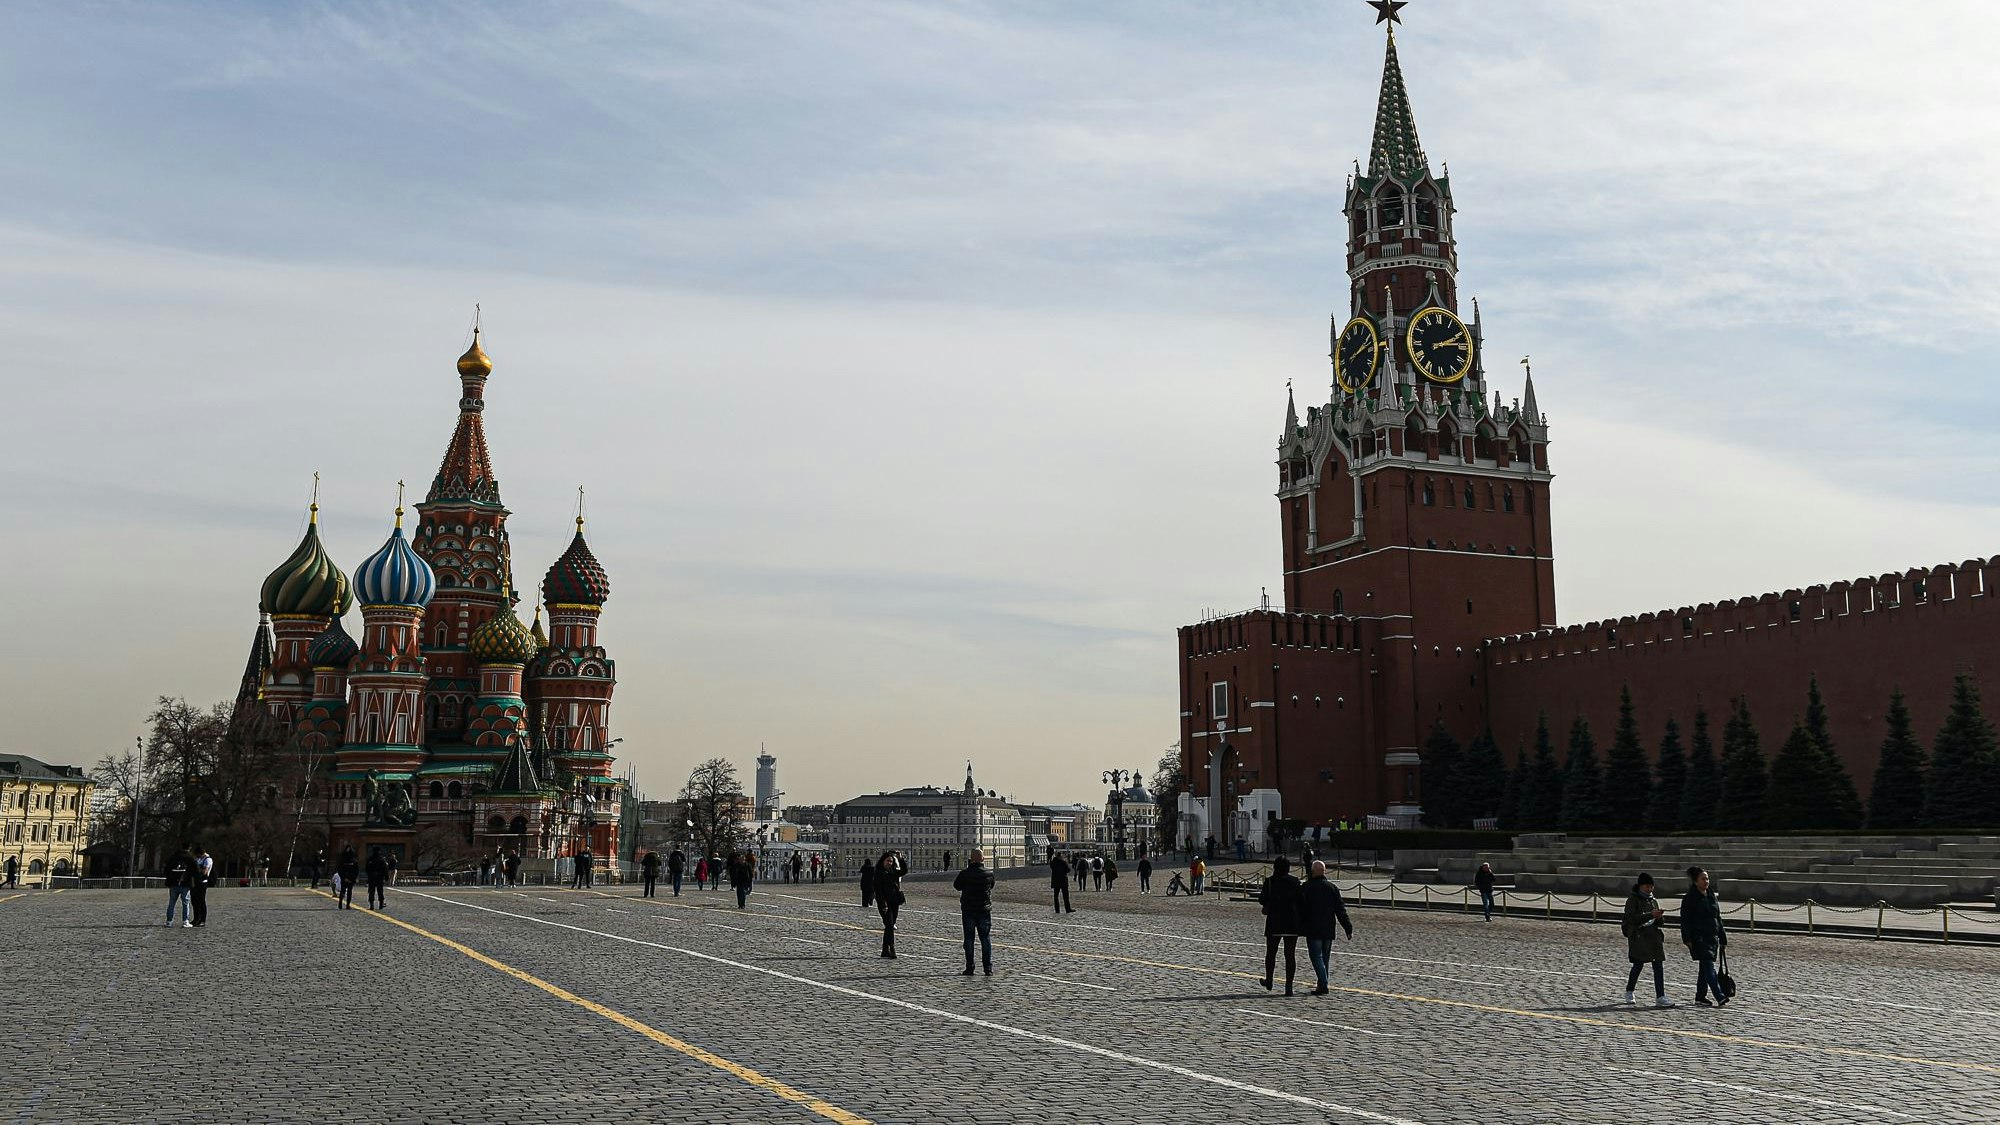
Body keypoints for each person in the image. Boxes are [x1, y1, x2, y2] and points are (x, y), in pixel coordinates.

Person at [1300, 860, 1355, 995]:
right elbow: (1340, 910)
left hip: (1313, 928)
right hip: (1328, 928)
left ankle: (1323, 983)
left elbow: (1300, 909)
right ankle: (1322, 985)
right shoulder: (1332, 888)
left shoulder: (1306, 887)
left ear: (1312, 872)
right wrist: (1348, 927)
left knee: (1316, 957)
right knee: (1325, 958)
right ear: (1324, 872)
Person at [1623, 872, 1675, 1008]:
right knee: (1638, 965)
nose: (1649, 889)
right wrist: (1650, 915)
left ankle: (1660, 996)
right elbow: (1631, 918)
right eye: (1647, 886)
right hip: (1639, 937)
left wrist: (1659, 918)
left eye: (1651, 887)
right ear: (1640, 886)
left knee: (1658, 966)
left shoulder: (1653, 900)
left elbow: (1659, 922)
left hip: (1653, 937)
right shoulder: (1633, 900)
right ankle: (1630, 990)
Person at [1679, 866, 1728, 1007]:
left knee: (1704, 968)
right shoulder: (1690, 898)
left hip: (1712, 937)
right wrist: (1687, 939)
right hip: (1699, 938)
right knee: (1709, 966)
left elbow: (1717, 918)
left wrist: (1722, 936)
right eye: (1703, 878)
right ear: (1695, 881)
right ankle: (1720, 996)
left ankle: (1700, 996)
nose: (1706, 881)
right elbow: (1685, 920)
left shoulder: (1711, 895)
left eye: (1707, 878)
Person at [1259, 856, 1305, 995]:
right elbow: (1301, 901)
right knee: (1290, 955)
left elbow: (1262, 899)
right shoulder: (1294, 882)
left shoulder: (1270, 881)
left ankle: (1270, 980)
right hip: (1291, 922)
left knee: (1271, 953)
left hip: (1275, 922)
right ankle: (1289, 986)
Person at [954, 849, 996, 976]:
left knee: (969, 939)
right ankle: (987, 968)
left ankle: (970, 967)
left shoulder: (965, 874)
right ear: (983, 859)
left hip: (969, 910)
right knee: (985, 939)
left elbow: (957, 886)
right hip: (984, 909)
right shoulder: (989, 873)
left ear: (971, 859)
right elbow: (991, 886)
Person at [875, 850, 907, 958]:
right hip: (885, 904)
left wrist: (900, 858)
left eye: (891, 861)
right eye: (888, 861)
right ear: (883, 861)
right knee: (889, 925)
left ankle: (884, 949)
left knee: (889, 926)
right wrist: (883, 904)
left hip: (894, 903)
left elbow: (904, 871)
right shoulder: (879, 873)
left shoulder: (893, 872)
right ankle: (892, 948)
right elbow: (878, 890)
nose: (890, 863)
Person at [163, 846, 195, 927]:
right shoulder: (190, 858)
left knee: (172, 903)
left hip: (173, 883)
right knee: (186, 903)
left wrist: (170, 878)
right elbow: (195, 869)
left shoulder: (173, 858)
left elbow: (166, 870)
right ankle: (185, 921)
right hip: (185, 883)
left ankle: (169, 921)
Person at [190, 846, 213, 927]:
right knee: (194, 901)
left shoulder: (207, 859)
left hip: (202, 882)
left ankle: (202, 920)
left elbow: (204, 872)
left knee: (201, 901)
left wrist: (196, 870)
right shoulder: (197, 859)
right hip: (195, 882)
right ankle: (196, 918)